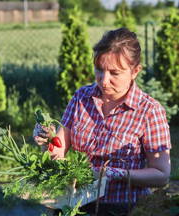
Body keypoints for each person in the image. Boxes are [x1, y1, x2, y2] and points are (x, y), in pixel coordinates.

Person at [33, 27, 171, 205]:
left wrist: (113, 173)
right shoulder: (82, 98)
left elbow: (161, 175)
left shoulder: (149, 111)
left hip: (125, 210)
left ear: (135, 71)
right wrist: (48, 141)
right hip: (78, 206)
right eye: (99, 69)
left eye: (114, 73)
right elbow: (57, 152)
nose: (104, 80)